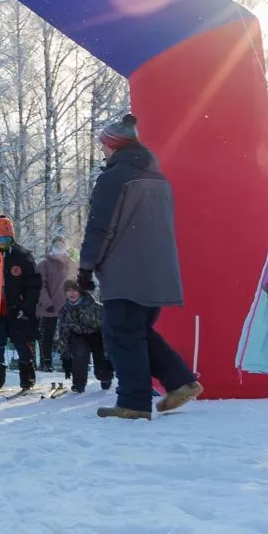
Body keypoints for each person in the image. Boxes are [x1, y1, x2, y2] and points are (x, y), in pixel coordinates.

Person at [82, 114, 201, 421]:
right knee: (137, 331)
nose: (103, 151)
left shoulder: (114, 178)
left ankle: (133, 402)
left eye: (104, 145)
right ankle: (180, 382)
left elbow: (100, 228)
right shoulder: (157, 177)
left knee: (121, 332)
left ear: (113, 146)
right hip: (158, 270)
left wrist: (85, 268)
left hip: (126, 271)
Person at [0, 216, 42, 393]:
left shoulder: (23, 256)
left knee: (21, 343)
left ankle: (27, 376)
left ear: (11, 237)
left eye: (5, 238)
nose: (1, 241)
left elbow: (34, 284)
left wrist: (27, 307)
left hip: (18, 309)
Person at [55, 279, 113, 394]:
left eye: (74, 290)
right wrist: (65, 357)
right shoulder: (65, 311)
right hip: (79, 336)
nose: (71, 293)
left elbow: (107, 332)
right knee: (80, 352)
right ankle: (78, 384)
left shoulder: (96, 308)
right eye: (68, 291)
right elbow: (63, 333)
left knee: (102, 368)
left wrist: (109, 356)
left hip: (98, 336)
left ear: (80, 291)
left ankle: (105, 377)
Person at [38, 236, 75, 373]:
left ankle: (69, 362)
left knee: (69, 335)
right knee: (47, 335)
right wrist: (47, 302)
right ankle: (46, 362)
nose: (59, 248)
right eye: (56, 245)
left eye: (62, 245)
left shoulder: (72, 264)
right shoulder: (44, 265)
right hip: (49, 307)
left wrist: (74, 302)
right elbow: (41, 285)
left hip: (68, 307)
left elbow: (77, 284)